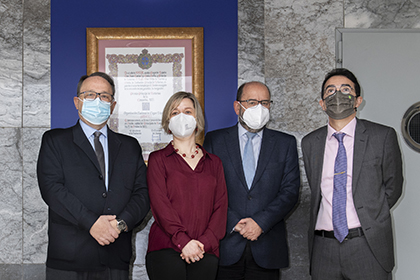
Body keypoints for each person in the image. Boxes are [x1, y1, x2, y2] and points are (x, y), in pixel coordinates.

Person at [37, 72, 150, 280]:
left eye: (104, 96)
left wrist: (121, 224)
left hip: (115, 257)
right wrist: (92, 223)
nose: (97, 100)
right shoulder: (55, 141)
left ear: (113, 105)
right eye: (90, 95)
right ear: (77, 102)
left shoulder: (129, 146)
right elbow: (52, 189)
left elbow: (142, 194)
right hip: (69, 259)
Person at [301, 68, 403, 280]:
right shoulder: (310, 142)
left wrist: (372, 213)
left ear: (358, 100)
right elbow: (316, 188)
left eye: (345, 89)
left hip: (367, 245)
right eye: (330, 91)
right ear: (321, 103)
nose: (337, 95)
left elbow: (393, 188)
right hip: (323, 249)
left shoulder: (382, 136)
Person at [203, 81, 301, 280]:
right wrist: (234, 222)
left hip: (267, 247)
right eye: (252, 102)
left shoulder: (285, 143)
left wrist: (260, 223)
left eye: (264, 102)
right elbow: (207, 189)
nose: (259, 108)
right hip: (225, 245)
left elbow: (290, 191)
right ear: (237, 106)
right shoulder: (214, 140)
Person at [145, 91, 228, 280]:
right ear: (167, 120)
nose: (181, 117)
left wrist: (203, 244)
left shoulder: (214, 162)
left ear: (197, 119)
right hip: (165, 248)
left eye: (188, 111)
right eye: (175, 112)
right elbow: (160, 205)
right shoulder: (158, 160)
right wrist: (184, 242)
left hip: (205, 250)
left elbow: (221, 207)